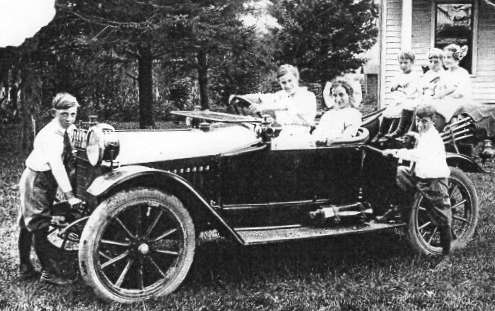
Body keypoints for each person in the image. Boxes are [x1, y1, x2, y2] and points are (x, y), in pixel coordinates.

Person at [18, 92, 82, 285]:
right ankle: (49, 272)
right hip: (37, 179)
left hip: (44, 179)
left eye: (73, 114)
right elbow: (57, 166)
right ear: (54, 113)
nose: (69, 119)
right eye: (64, 114)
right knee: (37, 225)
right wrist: (70, 196)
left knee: (28, 222)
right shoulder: (51, 135)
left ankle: (25, 268)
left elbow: (74, 144)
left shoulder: (67, 129)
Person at [377, 104, 452, 255]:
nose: (420, 124)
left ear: (433, 121)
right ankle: (400, 206)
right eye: (418, 121)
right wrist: (414, 137)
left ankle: (446, 253)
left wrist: (395, 151)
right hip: (420, 174)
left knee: (442, 217)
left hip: (434, 179)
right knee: (400, 172)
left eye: (425, 121)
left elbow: (417, 155)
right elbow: (419, 142)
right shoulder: (424, 135)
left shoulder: (433, 138)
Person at [233, 64, 317, 136]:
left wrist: (262, 107)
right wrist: (238, 97)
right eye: (283, 83)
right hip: (283, 136)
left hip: (303, 138)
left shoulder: (307, 96)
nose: (287, 85)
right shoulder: (280, 95)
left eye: (290, 81)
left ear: (296, 78)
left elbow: (286, 105)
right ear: (279, 83)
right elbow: (260, 97)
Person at [372, 51, 421, 142]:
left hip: (410, 100)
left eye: (406, 63)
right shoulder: (398, 75)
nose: (403, 65)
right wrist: (396, 87)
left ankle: (398, 131)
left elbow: (412, 91)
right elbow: (392, 88)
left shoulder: (415, 76)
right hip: (399, 100)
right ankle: (381, 132)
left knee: (402, 108)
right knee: (387, 112)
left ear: (412, 63)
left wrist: (400, 88)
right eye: (401, 63)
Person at [430, 44, 472, 130]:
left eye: (448, 57)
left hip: (459, 101)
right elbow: (441, 88)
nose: (445, 60)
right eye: (444, 58)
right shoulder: (445, 73)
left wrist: (443, 95)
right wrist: (437, 93)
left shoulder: (462, 73)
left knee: (441, 108)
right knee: (429, 105)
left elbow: (460, 93)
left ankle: (441, 130)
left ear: (456, 58)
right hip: (447, 99)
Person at [312, 80, 362, 146]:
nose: (338, 99)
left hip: (337, 149)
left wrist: (329, 141)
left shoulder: (353, 114)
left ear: (349, 95)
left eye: (341, 94)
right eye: (335, 95)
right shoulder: (328, 114)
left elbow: (347, 137)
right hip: (320, 148)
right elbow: (317, 133)